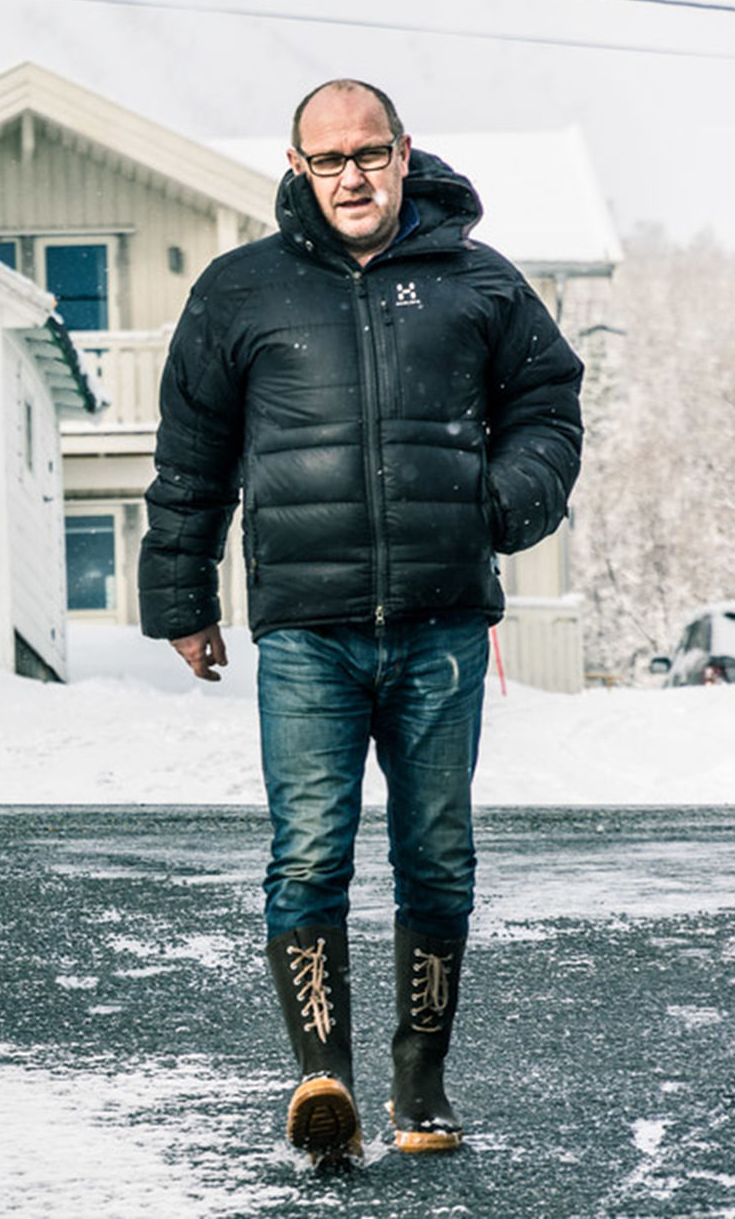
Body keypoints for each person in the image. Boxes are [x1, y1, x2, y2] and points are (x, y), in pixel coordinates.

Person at [137, 79, 583, 1165]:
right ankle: (320, 1079)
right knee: (307, 859)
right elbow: (191, 458)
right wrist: (181, 597)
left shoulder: (478, 282)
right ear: (297, 167)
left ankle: (419, 1087)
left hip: (439, 627)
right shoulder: (241, 291)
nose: (352, 176)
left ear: (403, 153)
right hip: (306, 631)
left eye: (369, 154)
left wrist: (501, 502)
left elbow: (550, 406)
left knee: (436, 859)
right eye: (328, 159)